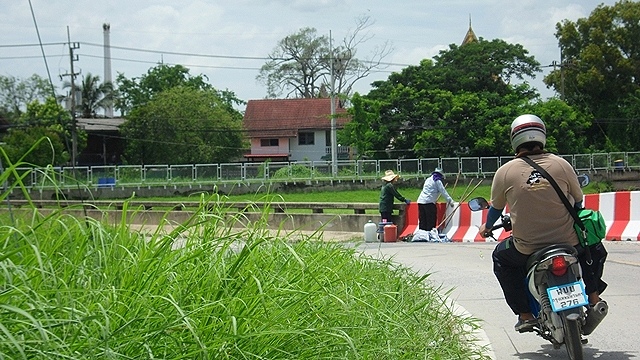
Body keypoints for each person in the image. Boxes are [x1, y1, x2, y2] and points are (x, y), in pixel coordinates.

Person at [478, 114, 608, 333]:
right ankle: (594, 298)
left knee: (501, 258)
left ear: (515, 139)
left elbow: (496, 210)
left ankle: (525, 314)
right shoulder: (561, 164)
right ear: (542, 136)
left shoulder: (505, 172)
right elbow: (578, 201)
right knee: (591, 249)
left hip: (527, 247)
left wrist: (487, 227)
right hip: (568, 242)